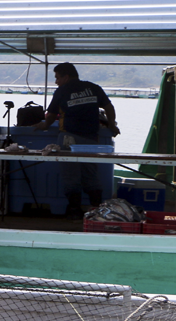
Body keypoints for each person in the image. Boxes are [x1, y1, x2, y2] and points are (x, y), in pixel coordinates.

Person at [32, 62, 119, 219]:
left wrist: (44, 125)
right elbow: (109, 107)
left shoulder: (62, 91)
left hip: (69, 138)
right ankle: (97, 211)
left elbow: (51, 116)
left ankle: (74, 211)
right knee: (91, 175)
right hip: (92, 139)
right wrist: (112, 125)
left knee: (71, 176)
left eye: (57, 77)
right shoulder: (94, 87)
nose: (56, 81)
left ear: (66, 77)